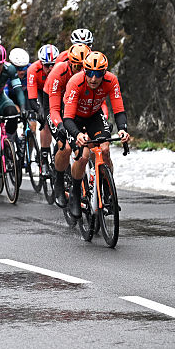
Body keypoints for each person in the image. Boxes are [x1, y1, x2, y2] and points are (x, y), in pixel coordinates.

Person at [62, 51, 130, 219]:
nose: (93, 78)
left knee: (105, 148)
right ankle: (76, 192)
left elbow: (119, 109)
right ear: (84, 71)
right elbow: (68, 118)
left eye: (98, 74)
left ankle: (108, 191)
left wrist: (122, 128)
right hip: (74, 118)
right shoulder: (75, 82)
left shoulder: (111, 80)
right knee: (84, 154)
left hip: (94, 116)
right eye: (90, 73)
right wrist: (77, 134)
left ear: (104, 73)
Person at [44, 43, 91, 204]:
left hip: (74, 103)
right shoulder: (59, 71)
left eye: (84, 67)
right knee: (66, 144)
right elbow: (54, 108)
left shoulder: (90, 76)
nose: (80, 71)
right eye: (76, 66)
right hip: (55, 103)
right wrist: (60, 126)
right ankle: (58, 181)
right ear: (70, 63)